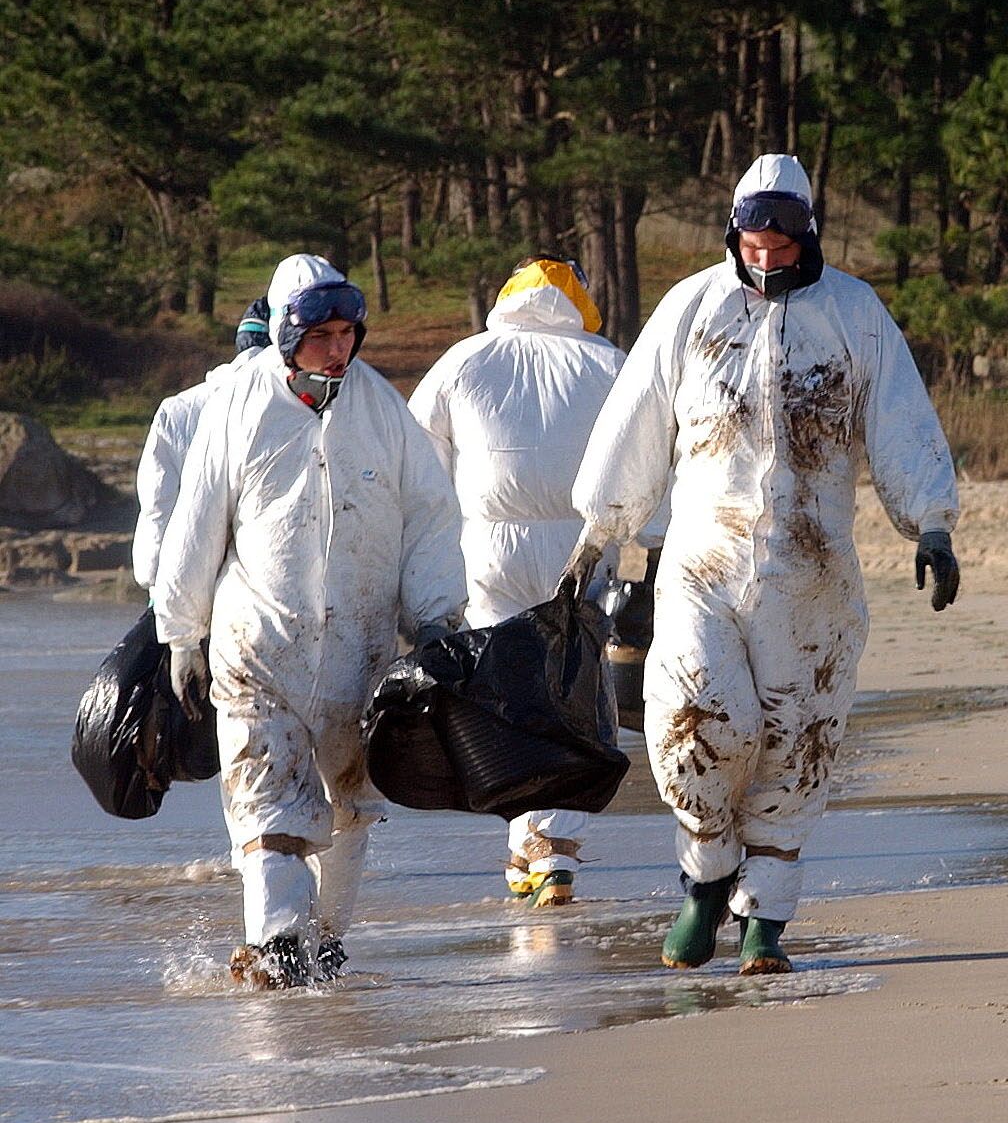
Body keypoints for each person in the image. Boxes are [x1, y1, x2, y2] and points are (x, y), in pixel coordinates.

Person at [563, 154, 961, 975]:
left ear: (806, 232)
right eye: (754, 239)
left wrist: (932, 524)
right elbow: (637, 419)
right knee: (698, 721)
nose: (768, 255)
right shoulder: (692, 308)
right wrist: (598, 535)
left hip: (813, 570)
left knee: (798, 739)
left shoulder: (854, 312)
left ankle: (766, 922)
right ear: (734, 231)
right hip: (702, 558)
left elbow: (900, 419)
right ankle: (705, 880)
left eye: (783, 241)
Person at [154, 254, 467, 987]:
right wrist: (181, 633)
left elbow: (430, 518)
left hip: (358, 654)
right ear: (286, 337)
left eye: (347, 332)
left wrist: (436, 619)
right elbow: (196, 525)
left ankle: (325, 937)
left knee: (350, 806)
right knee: (267, 801)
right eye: (320, 333)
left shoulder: (381, 409)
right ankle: (278, 945)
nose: (338, 348)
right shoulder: (239, 408)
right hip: (256, 646)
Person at [409, 255, 635, 908]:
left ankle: (526, 842)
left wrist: (420, 553)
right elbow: (648, 451)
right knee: (571, 692)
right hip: (581, 548)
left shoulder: (463, 359)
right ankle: (551, 844)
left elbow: (419, 459)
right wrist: (649, 542)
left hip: (487, 547)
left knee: (509, 693)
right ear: (580, 301)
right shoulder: (608, 363)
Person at [132, 297, 271, 589]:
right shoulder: (296, 413)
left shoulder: (177, 409)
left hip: (181, 585)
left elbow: (158, 504)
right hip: (256, 589)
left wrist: (154, 580)